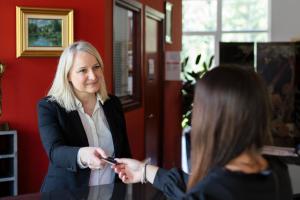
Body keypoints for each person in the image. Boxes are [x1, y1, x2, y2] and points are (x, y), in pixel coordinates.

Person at [113, 66, 292, 200]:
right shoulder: (277, 171)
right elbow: (198, 185)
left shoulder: (208, 192)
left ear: (211, 117)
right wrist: (143, 171)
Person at [37, 41, 131, 192]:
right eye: (82, 70)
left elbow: (124, 152)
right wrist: (82, 155)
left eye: (96, 67)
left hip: (109, 193)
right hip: (65, 194)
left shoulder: (113, 104)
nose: (93, 76)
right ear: (67, 75)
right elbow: (55, 152)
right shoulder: (49, 107)